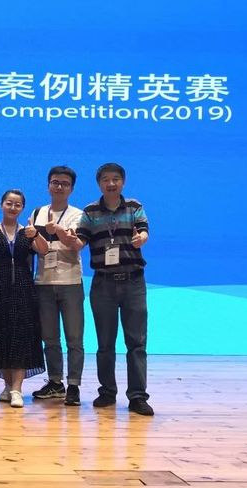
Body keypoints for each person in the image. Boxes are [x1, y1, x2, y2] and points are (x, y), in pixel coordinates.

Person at [72, 162, 154, 416]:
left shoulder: (134, 206)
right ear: (99, 183)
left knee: (136, 343)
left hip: (133, 282)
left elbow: (144, 231)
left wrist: (142, 238)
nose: (111, 183)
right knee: (105, 343)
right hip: (103, 284)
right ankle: (107, 392)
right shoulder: (90, 211)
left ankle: (137, 396)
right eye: (105, 179)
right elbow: (80, 241)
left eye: (115, 179)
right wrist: (69, 239)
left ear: (123, 182)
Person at [0, 189, 49, 408]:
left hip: (23, 290)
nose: (13, 207)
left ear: (22, 208)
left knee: (20, 336)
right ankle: (8, 386)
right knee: (0, 336)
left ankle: (17, 389)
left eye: (17, 204)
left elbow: (44, 250)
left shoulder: (27, 232)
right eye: (9, 203)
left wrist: (36, 235)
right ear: (1, 205)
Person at [28, 166, 85, 407]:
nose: (59, 187)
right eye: (55, 182)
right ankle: (55, 382)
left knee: (74, 338)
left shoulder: (79, 215)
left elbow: (77, 245)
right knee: (50, 338)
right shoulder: (37, 212)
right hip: (43, 282)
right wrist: (36, 238)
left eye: (64, 183)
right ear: (48, 185)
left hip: (70, 281)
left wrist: (58, 231)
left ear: (71, 188)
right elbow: (33, 246)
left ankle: (74, 385)